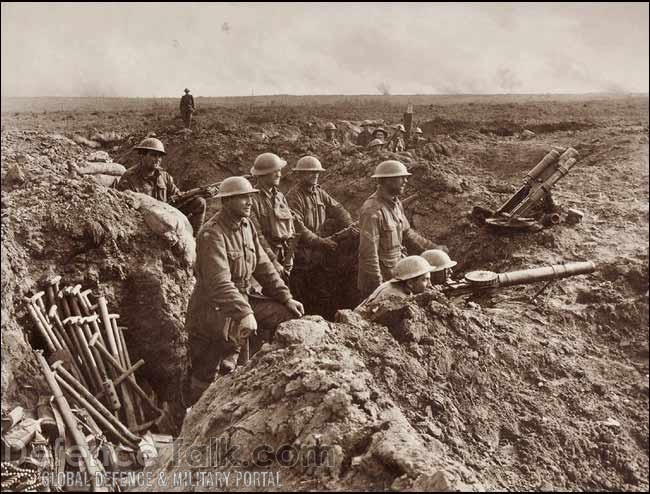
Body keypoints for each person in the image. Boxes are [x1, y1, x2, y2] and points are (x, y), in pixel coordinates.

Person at [184, 176, 304, 402]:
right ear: (227, 201)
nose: (249, 202)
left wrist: (286, 298)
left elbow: (263, 267)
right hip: (213, 309)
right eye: (243, 198)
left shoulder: (246, 225)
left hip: (240, 300)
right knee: (206, 373)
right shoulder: (212, 234)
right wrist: (245, 313)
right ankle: (190, 418)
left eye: (250, 197)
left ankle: (261, 373)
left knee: (286, 315)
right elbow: (219, 284)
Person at [357, 160, 439, 298]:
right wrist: (380, 288)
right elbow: (369, 256)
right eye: (401, 178)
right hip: (380, 282)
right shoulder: (371, 211)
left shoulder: (395, 203)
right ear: (387, 181)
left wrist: (432, 248)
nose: (406, 181)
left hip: (397, 275)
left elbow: (407, 233)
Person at [286, 156, 354, 313]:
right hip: (300, 255)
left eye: (317, 172)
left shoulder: (320, 193)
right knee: (303, 294)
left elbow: (339, 209)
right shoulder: (293, 197)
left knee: (323, 291)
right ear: (300, 175)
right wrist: (321, 242)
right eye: (310, 173)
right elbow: (299, 229)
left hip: (318, 252)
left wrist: (350, 226)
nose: (315, 175)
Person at [249, 152, 329, 281]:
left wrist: (289, 257)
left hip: (284, 258)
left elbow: (291, 228)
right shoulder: (253, 200)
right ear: (262, 174)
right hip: (263, 260)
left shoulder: (280, 197)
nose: (279, 174)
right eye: (275, 171)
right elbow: (257, 236)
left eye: (279, 170)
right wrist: (273, 262)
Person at [116, 137, 207, 234]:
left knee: (199, 202)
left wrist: (197, 193)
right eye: (153, 155)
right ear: (142, 156)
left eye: (160, 156)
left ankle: (194, 238)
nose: (157, 159)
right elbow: (124, 208)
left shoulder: (163, 175)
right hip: (145, 218)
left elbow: (177, 195)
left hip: (165, 213)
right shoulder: (129, 177)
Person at [355, 256, 434, 312]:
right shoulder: (398, 299)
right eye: (425, 280)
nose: (430, 284)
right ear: (410, 283)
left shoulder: (393, 285)